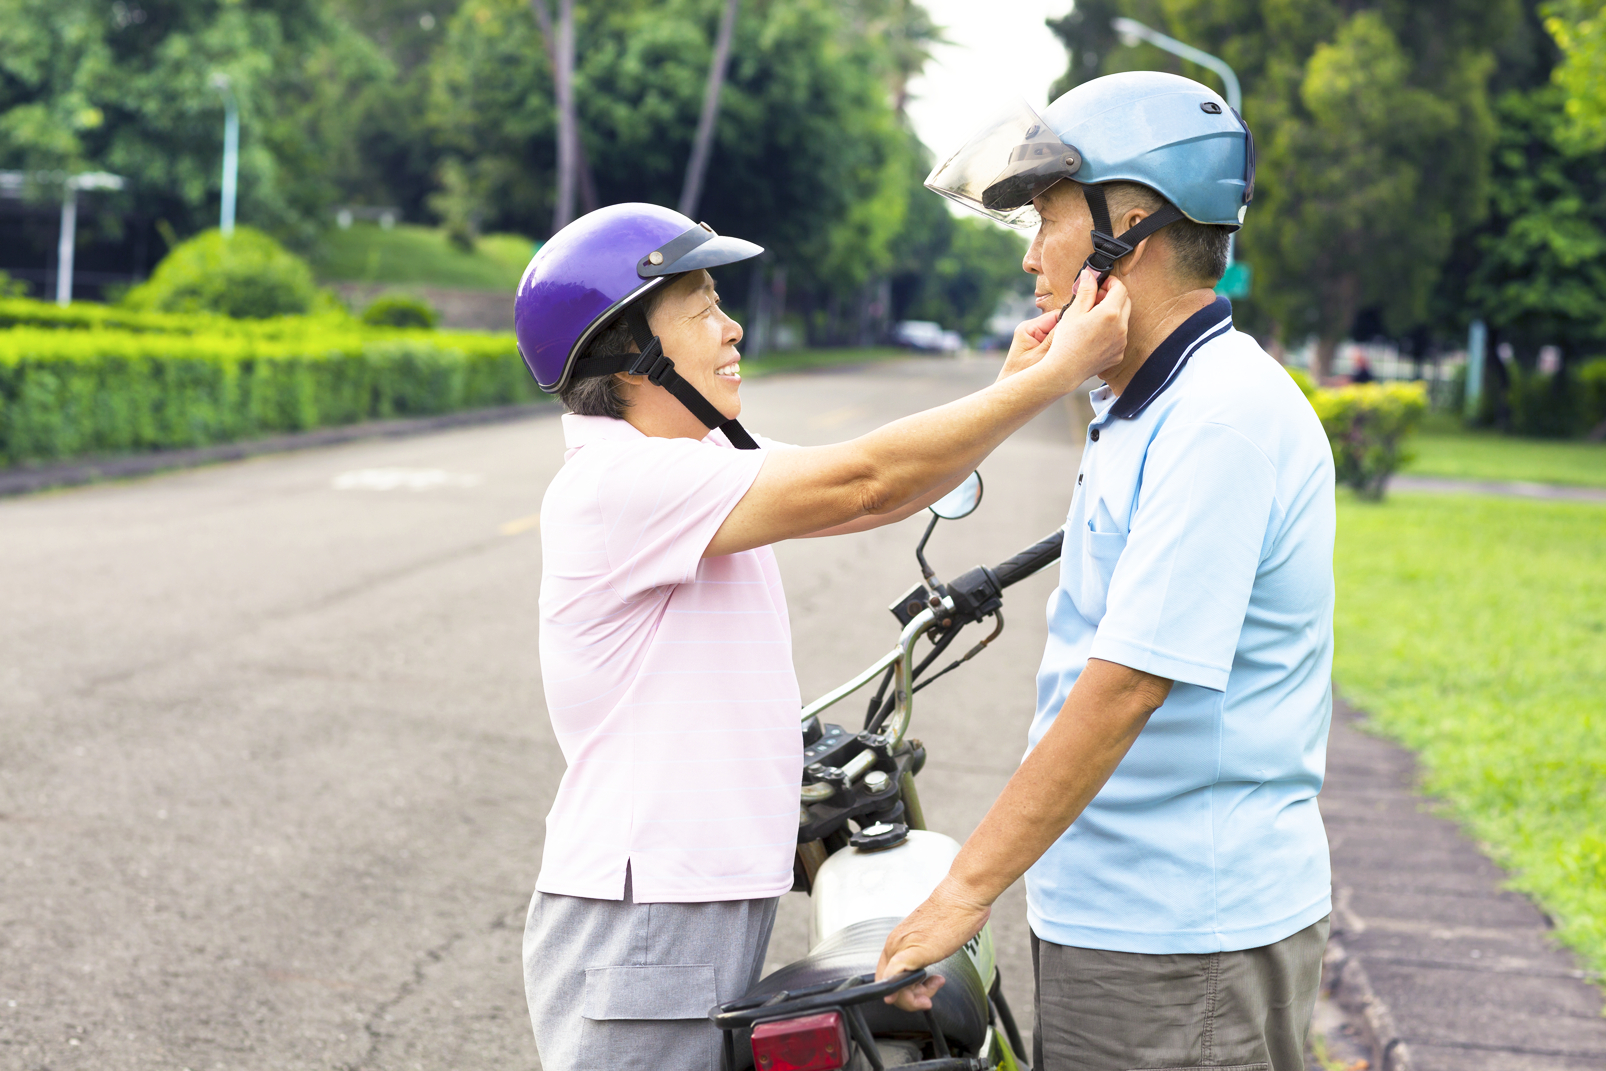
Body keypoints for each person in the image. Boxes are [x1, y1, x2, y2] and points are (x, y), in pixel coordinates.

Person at [512, 201, 1130, 1071]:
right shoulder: (619, 483)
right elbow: (866, 484)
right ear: (630, 351)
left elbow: (893, 471)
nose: (732, 332)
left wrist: (1007, 387)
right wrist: (1056, 376)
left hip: (686, 904)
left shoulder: (703, 461)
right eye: (702, 310)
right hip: (643, 918)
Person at [877, 71, 1337, 1071]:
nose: (1033, 256)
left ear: (1128, 227)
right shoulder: (1139, 405)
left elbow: (1124, 685)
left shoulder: (1219, 418)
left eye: (1047, 220)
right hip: (1124, 913)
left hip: (1183, 934)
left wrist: (963, 891)